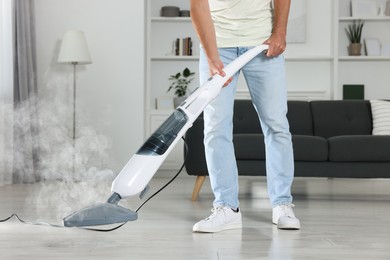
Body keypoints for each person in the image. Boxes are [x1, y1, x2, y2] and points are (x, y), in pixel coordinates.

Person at [190, 0, 300, 232]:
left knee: (276, 125)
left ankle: (282, 204)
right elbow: (198, 5)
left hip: (262, 45)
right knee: (215, 127)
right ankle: (226, 208)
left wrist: (279, 33)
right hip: (217, 46)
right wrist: (211, 57)